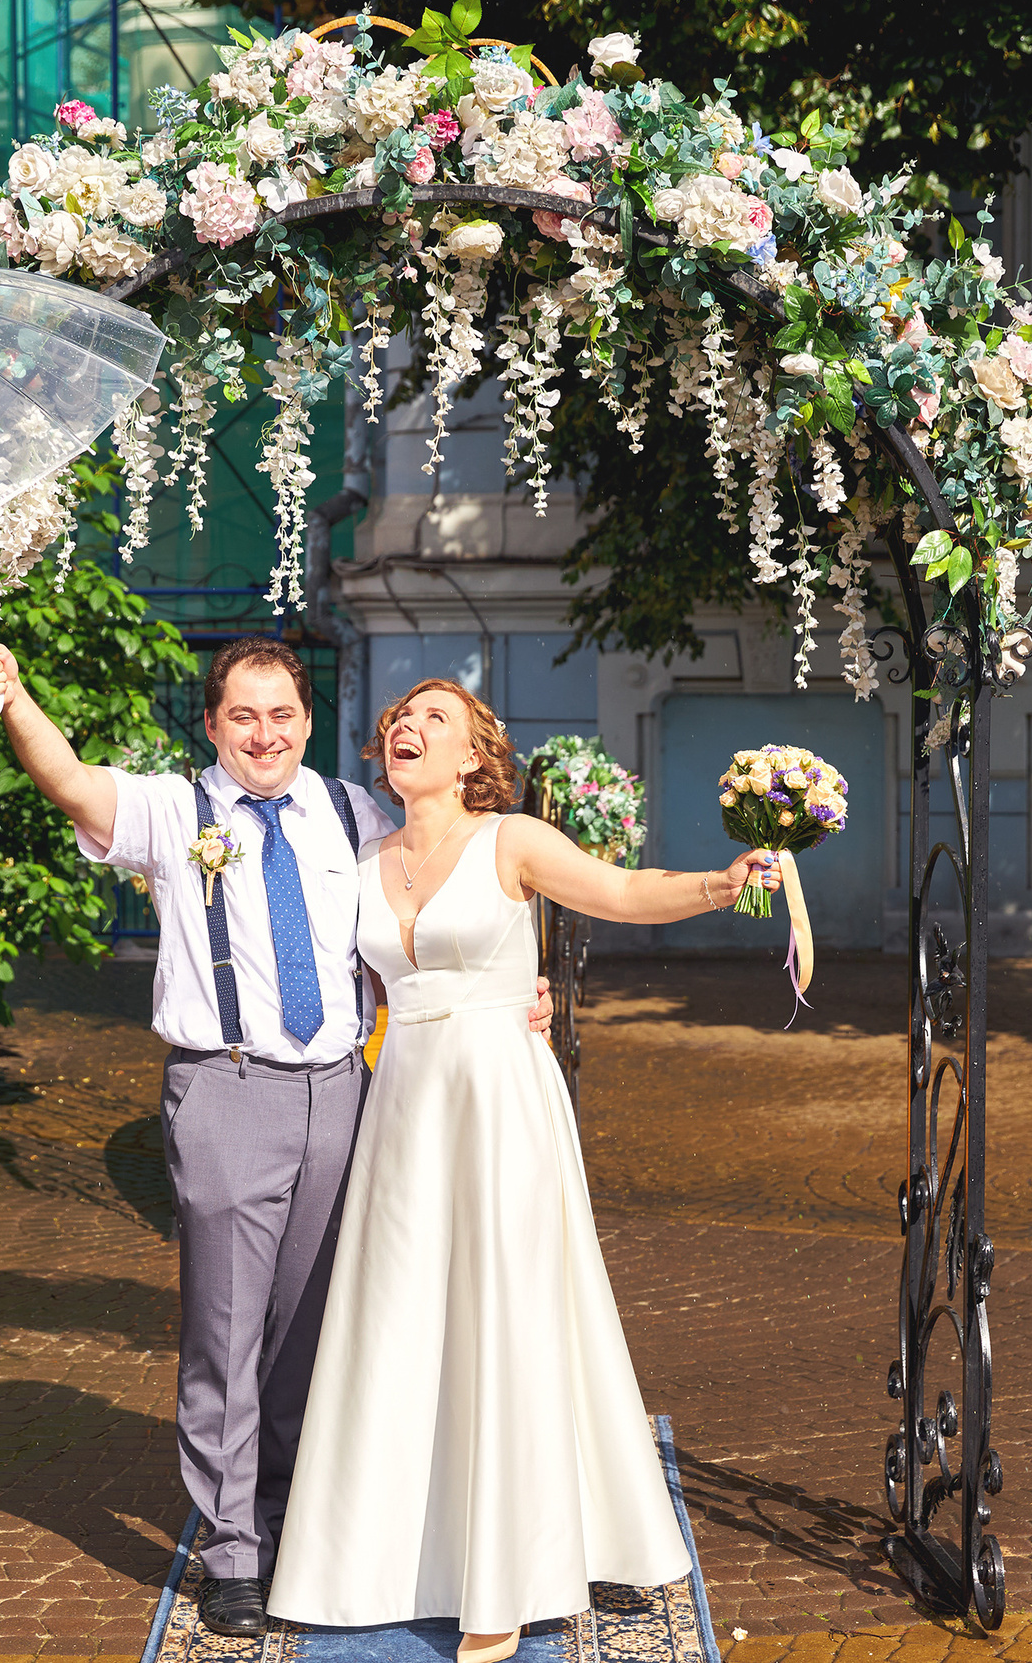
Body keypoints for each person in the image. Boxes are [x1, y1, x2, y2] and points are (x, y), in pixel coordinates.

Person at [0, 635, 549, 1639]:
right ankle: (232, 1547)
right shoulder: (168, 810)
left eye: (281, 715)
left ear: (308, 724)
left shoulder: (351, 812)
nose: (264, 734)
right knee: (225, 1331)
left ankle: (296, 1514)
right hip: (226, 1091)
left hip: (347, 1093)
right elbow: (63, 778)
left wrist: (508, 991)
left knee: (313, 1324)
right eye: (243, 716)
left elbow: (438, 894)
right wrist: (10, 696)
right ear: (213, 724)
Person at [267, 678, 778, 1663]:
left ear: (472, 757)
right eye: (396, 721)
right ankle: (379, 1550)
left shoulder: (512, 840)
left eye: (433, 720)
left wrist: (720, 882)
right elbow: (349, 991)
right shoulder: (366, 862)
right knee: (401, 1319)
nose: (405, 728)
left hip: (498, 1099)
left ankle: (501, 1580)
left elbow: (623, 892)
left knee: (504, 1315)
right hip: (404, 1105)